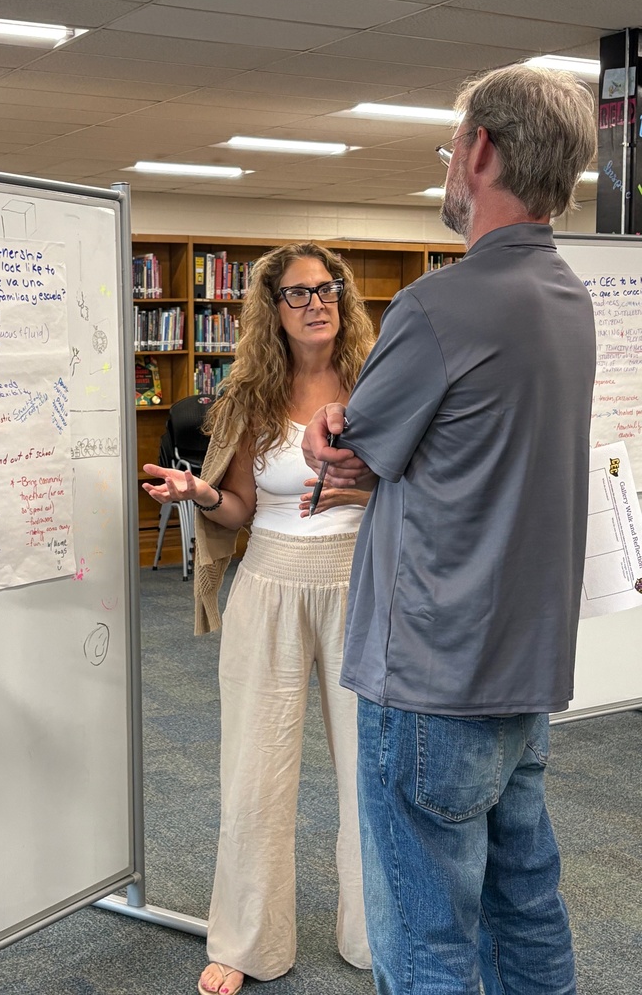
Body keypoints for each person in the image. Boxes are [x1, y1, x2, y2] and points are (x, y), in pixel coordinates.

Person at [302, 64, 597, 995]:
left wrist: (331, 436)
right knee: (525, 911)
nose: (446, 169)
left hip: (428, 679)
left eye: (449, 148)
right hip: (523, 675)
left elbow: (349, 455)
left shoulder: (439, 305)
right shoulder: (570, 300)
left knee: (428, 940)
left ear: (480, 151)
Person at [142, 242, 376, 995]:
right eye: (299, 292)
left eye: (329, 287)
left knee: (372, 776)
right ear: (270, 308)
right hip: (269, 582)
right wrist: (200, 495)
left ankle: (381, 934)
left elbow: (420, 484)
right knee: (255, 772)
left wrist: (370, 497)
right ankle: (247, 942)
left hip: (363, 584)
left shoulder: (379, 382)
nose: (318, 302)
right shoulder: (248, 392)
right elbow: (241, 506)